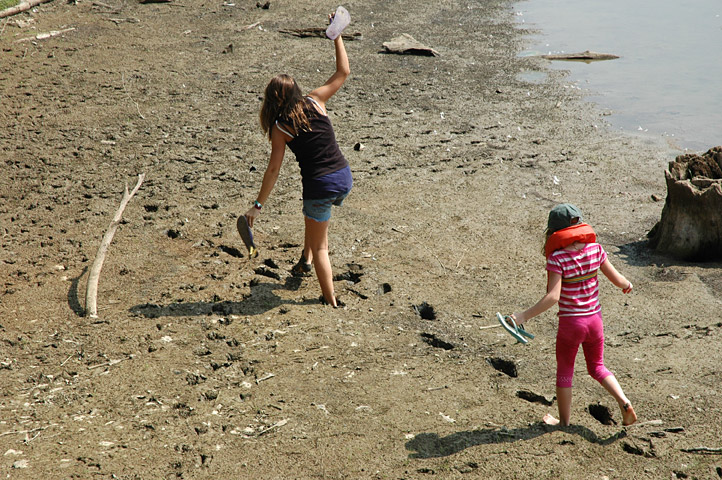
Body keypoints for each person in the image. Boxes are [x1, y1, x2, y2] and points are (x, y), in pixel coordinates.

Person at [245, 16, 351, 308]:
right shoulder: (316, 99)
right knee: (312, 216)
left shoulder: (280, 128)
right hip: (344, 177)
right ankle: (304, 260)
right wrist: (337, 36)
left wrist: (257, 206)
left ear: (272, 101)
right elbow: (343, 72)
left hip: (320, 187)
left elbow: (273, 170)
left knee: (321, 246)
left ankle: (330, 301)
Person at [510, 204, 637, 426]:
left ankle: (564, 422)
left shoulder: (557, 258)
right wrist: (627, 284)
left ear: (553, 232)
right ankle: (624, 402)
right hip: (595, 321)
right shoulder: (595, 249)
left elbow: (553, 296)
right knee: (597, 367)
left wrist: (523, 316)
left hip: (571, 325)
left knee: (565, 371)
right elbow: (618, 279)